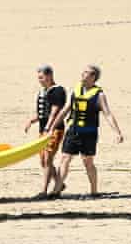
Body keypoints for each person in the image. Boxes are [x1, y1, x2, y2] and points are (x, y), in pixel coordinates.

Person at [49, 65, 123, 198]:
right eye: (82, 72)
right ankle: (56, 190)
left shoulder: (99, 95)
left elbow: (108, 114)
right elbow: (64, 111)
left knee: (87, 161)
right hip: (73, 130)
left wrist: (117, 132)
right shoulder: (75, 90)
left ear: (93, 76)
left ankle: (94, 192)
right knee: (65, 158)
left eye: (86, 73)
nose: (82, 74)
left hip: (89, 133)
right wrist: (52, 128)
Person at [24, 65, 66, 199]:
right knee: (43, 160)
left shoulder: (58, 91)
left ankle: (44, 190)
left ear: (49, 76)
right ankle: (59, 184)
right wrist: (32, 121)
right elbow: (43, 113)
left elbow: (54, 111)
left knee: (48, 158)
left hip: (54, 130)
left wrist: (49, 127)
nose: (40, 80)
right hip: (43, 130)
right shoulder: (43, 91)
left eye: (41, 77)